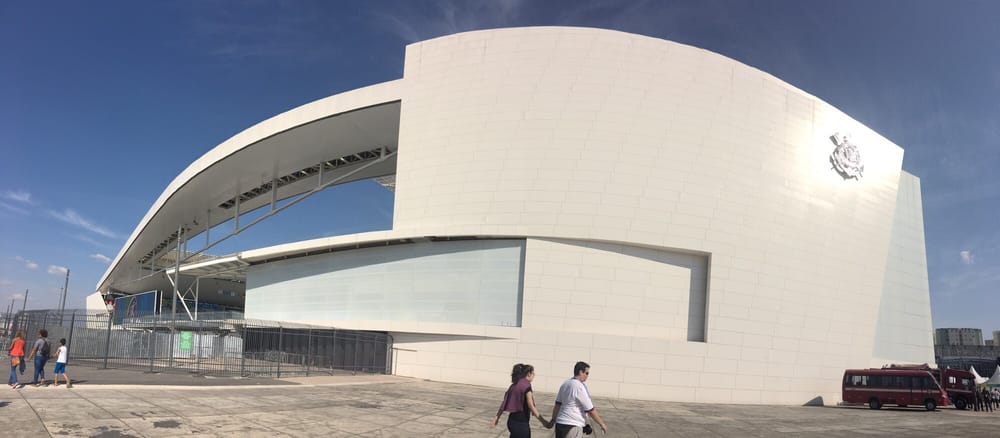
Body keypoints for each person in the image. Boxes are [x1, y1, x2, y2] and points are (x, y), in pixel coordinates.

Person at [550, 361, 608, 437]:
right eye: (586, 373)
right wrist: (601, 423)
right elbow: (590, 410)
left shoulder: (565, 384)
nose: (587, 376)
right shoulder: (579, 387)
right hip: (573, 426)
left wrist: (553, 420)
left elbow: (557, 405)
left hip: (560, 425)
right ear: (581, 372)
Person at [492, 363, 549, 437]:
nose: (534, 376)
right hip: (521, 424)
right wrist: (543, 422)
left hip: (511, 421)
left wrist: (497, 417)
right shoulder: (526, 385)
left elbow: (504, 402)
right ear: (529, 374)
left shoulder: (514, 385)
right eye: (533, 373)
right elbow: (531, 406)